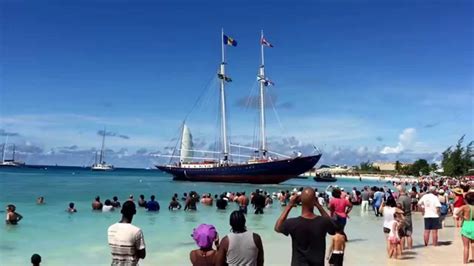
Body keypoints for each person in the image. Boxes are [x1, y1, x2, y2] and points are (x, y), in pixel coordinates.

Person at [275, 187, 336, 266]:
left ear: (300, 201)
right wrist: (318, 205)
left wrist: (289, 205)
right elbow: (333, 228)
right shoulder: (323, 222)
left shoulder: (292, 223)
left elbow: (277, 227)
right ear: (315, 200)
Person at [107, 201, 146, 265]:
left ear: (121, 211)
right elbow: (142, 255)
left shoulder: (110, 229)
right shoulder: (136, 231)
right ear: (135, 212)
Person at [456, 189, 474, 264]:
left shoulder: (465, 207)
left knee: (466, 247)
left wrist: (463, 216)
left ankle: (465, 262)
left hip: (467, 224)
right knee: (473, 244)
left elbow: (456, 213)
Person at [397, 186, 413, 250]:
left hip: (403, 216)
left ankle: (402, 249)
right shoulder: (408, 198)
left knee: (402, 235)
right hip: (409, 216)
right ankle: (410, 248)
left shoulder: (400, 198)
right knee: (409, 234)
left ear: (400, 191)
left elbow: (400, 207)